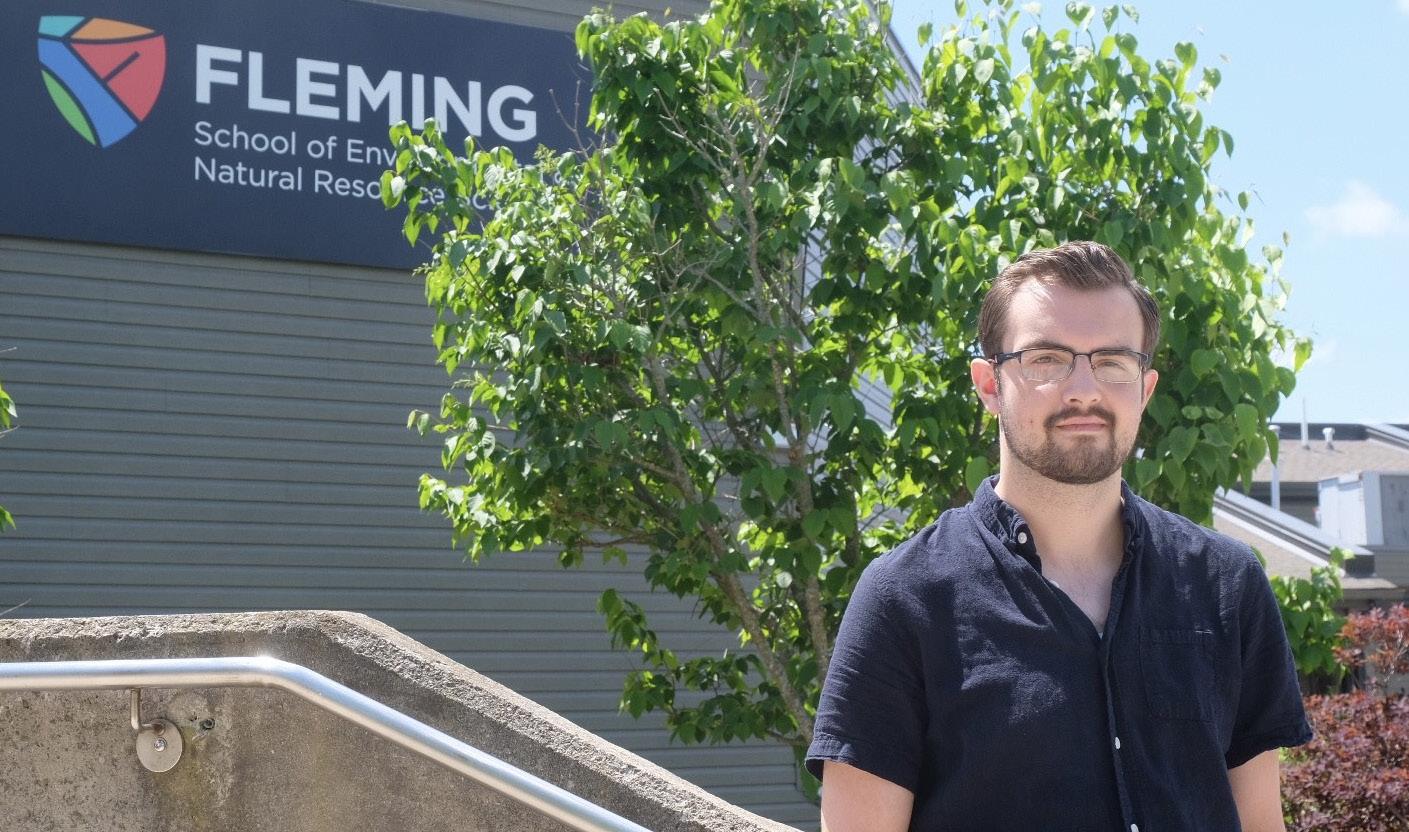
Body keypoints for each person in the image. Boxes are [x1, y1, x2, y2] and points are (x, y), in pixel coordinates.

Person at [805, 242, 1311, 832]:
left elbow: (1260, 821)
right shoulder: (905, 597)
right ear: (989, 385)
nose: (1084, 390)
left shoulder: (1227, 582)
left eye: (1112, 361)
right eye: (1046, 359)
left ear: (1144, 389)